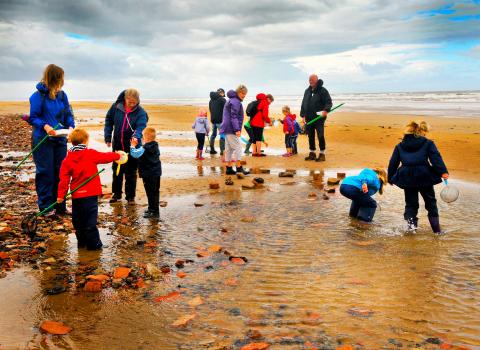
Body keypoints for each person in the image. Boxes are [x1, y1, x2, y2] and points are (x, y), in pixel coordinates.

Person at [57, 129, 122, 249]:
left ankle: (81, 243)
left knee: (78, 220)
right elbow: (105, 157)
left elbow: (63, 180)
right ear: (86, 141)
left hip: (77, 195)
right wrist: (118, 155)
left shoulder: (67, 159)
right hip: (91, 194)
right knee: (90, 221)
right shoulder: (90, 153)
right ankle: (94, 245)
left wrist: (61, 196)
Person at [29, 64, 75, 216]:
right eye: (61, 78)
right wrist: (45, 126)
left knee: (61, 173)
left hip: (60, 139)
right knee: (45, 172)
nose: (63, 81)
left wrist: (71, 126)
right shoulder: (37, 96)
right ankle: (46, 207)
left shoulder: (62, 95)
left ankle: (60, 206)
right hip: (43, 139)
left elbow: (68, 113)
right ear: (55, 78)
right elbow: (33, 117)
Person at [388, 121, 449, 233]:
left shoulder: (400, 145)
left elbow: (393, 162)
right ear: (421, 131)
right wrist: (443, 172)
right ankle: (437, 232)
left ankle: (412, 230)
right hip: (424, 175)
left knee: (411, 204)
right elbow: (436, 158)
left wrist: (390, 177)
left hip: (407, 176)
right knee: (430, 202)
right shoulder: (428, 143)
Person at [104, 89, 148, 205]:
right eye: (130, 102)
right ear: (125, 98)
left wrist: (136, 135)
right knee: (117, 171)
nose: (132, 104)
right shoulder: (116, 107)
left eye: (135, 102)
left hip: (132, 146)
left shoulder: (141, 112)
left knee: (131, 172)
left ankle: (130, 197)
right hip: (117, 145)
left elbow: (141, 125)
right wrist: (108, 137)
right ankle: (116, 194)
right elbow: (108, 121)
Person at [130, 127, 162, 219]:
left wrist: (132, 145)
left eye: (143, 137)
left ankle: (153, 212)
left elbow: (135, 154)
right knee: (155, 192)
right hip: (156, 173)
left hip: (148, 174)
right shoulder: (155, 146)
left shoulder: (144, 148)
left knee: (150, 193)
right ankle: (153, 209)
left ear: (146, 138)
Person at [300, 74, 332, 162]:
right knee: (310, 135)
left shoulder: (323, 90)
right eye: (309, 80)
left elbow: (328, 102)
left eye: (312, 80)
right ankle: (312, 153)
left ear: (317, 80)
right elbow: (304, 103)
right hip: (309, 117)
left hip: (319, 117)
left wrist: (326, 110)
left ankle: (322, 154)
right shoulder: (307, 91)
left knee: (320, 135)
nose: (311, 82)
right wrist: (302, 115)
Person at [219, 85, 250, 175]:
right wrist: (237, 129)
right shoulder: (235, 101)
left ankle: (229, 168)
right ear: (238, 92)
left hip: (226, 127)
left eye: (245, 94)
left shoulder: (231, 100)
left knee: (229, 148)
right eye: (242, 93)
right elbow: (234, 116)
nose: (244, 95)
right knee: (238, 147)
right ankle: (239, 167)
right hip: (231, 127)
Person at [208, 88, 226, 155]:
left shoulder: (211, 100)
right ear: (221, 93)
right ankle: (222, 151)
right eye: (223, 93)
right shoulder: (222, 99)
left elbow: (210, 110)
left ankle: (212, 150)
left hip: (213, 120)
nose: (223, 95)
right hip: (220, 120)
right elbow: (226, 109)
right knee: (222, 135)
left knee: (213, 135)